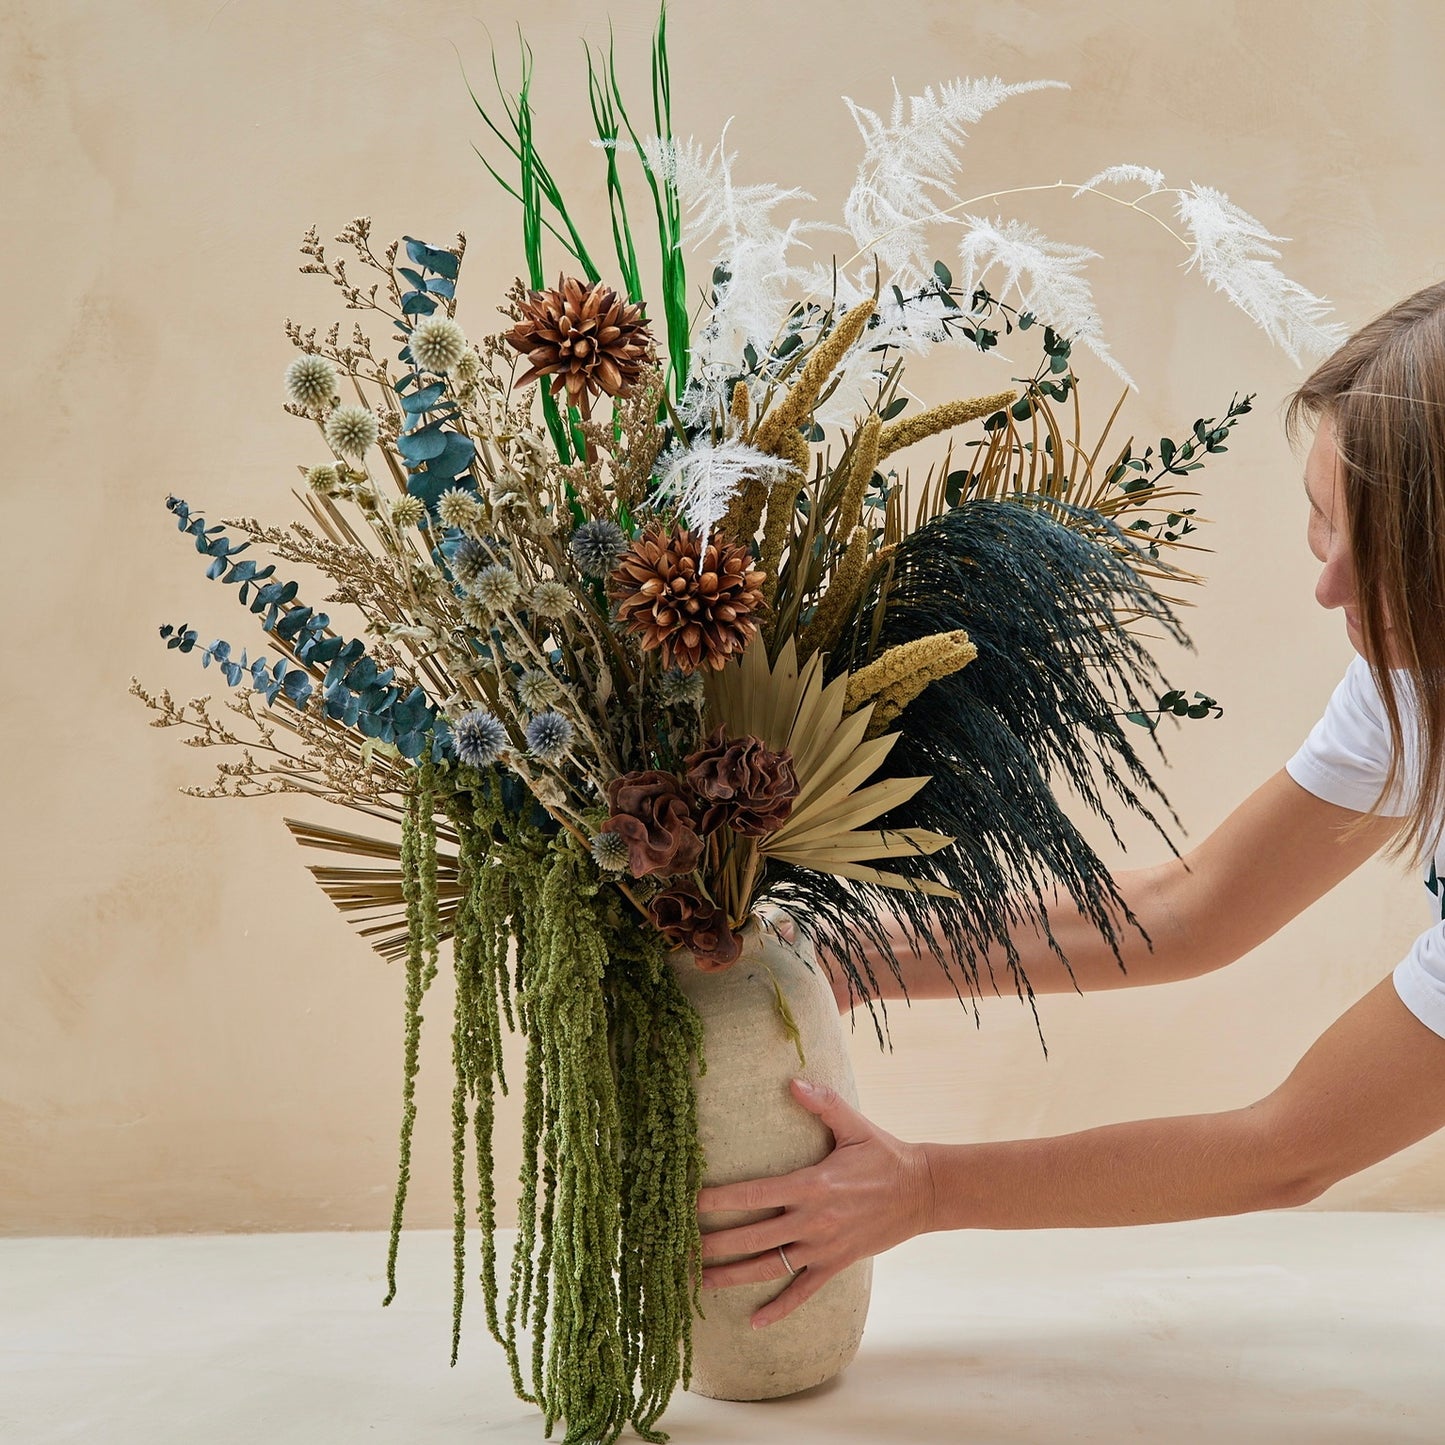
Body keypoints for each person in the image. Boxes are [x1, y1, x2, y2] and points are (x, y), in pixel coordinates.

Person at [698, 281, 1445, 1330]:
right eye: (1320, 526)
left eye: (1387, 562)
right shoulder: (1413, 674)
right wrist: (846, 958)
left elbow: (1289, 1148)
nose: (1326, 591)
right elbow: (1194, 908)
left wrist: (923, 1187)